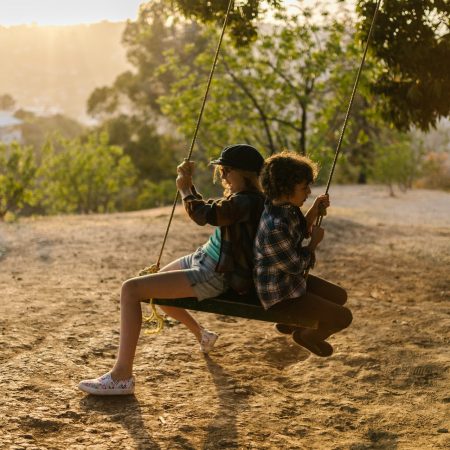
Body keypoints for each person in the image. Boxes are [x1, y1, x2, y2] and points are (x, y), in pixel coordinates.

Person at [78, 144, 265, 395]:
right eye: (221, 170)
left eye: (226, 170)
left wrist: (185, 188)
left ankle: (121, 376)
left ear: (245, 173)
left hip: (213, 273)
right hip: (202, 258)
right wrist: (188, 187)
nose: (222, 176)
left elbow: (204, 215)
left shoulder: (249, 202)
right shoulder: (242, 199)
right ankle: (202, 334)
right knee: (160, 293)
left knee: (131, 290)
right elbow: (211, 210)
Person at [253, 151, 352, 357]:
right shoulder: (274, 226)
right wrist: (314, 244)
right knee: (343, 317)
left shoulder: (285, 208)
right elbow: (296, 265)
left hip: (290, 282)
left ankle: (288, 323)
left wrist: (314, 210)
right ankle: (305, 336)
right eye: (304, 187)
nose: (308, 191)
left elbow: (297, 232)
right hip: (280, 294)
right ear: (285, 189)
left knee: (339, 296)